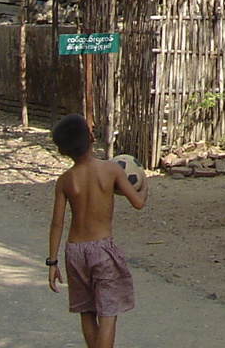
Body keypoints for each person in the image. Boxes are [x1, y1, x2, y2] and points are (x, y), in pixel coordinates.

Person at [47, 114, 147, 348]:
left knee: (87, 311)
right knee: (109, 313)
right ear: (92, 138)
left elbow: (57, 224)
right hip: (102, 250)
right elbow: (138, 203)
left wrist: (52, 263)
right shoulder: (111, 170)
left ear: (62, 152)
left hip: (74, 252)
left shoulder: (64, 181)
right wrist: (144, 185)